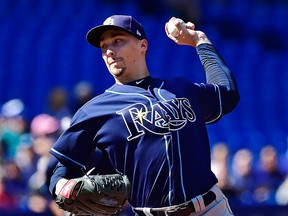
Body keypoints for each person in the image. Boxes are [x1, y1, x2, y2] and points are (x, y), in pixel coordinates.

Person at [48, 15, 240, 216]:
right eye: (104, 47)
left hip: (209, 209)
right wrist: (62, 186)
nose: (109, 51)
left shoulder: (182, 89)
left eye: (118, 41)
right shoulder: (94, 111)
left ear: (143, 45)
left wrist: (199, 40)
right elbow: (63, 169)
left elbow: (227, 93)